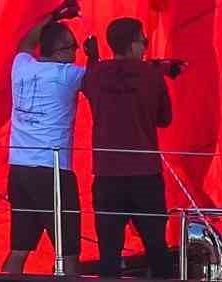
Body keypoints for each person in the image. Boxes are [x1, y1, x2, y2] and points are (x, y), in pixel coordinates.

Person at [81, 17, 183, 278]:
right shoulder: (152, 75)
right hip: (144, 175)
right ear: (134, 44)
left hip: (107, 176)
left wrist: (93, 58)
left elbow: (91, 84)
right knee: (156, 247)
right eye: (144, 41)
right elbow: (165, 119)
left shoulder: (95, 74)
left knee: (109, 252)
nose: (146, 47)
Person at [3, 0, 86, 275]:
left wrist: (55, 14)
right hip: (52, 172)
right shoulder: (68, 75)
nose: (76, 53)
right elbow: (101, 79)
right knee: (69, 252)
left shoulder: (22, 67)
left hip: (19, 170)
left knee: (18, 249)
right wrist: (96, 56)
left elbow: (26, 42)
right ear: (61, 51)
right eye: (73, 48)